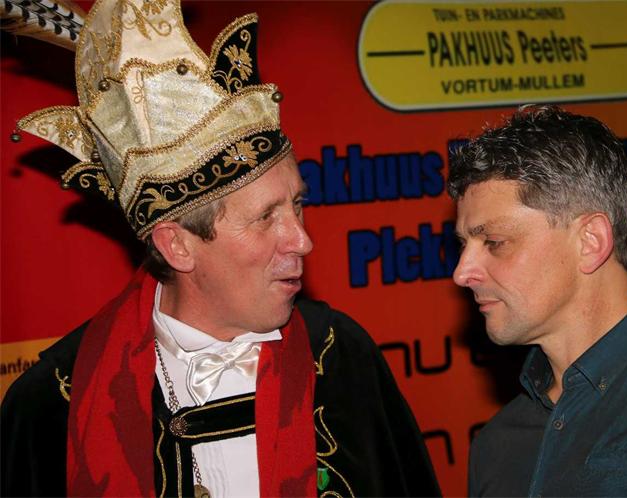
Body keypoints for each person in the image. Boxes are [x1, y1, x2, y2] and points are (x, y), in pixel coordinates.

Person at [0, 1, 441, 497]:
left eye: (297, 205)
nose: (303, 240)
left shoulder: (341, 358)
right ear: (177, 246)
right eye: (265, 217)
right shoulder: (55, 404)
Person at [448, 105, 627, 496]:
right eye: (463, 244)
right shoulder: (496, 445)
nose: (462, 272)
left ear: (591, 241)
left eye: (494, 242)